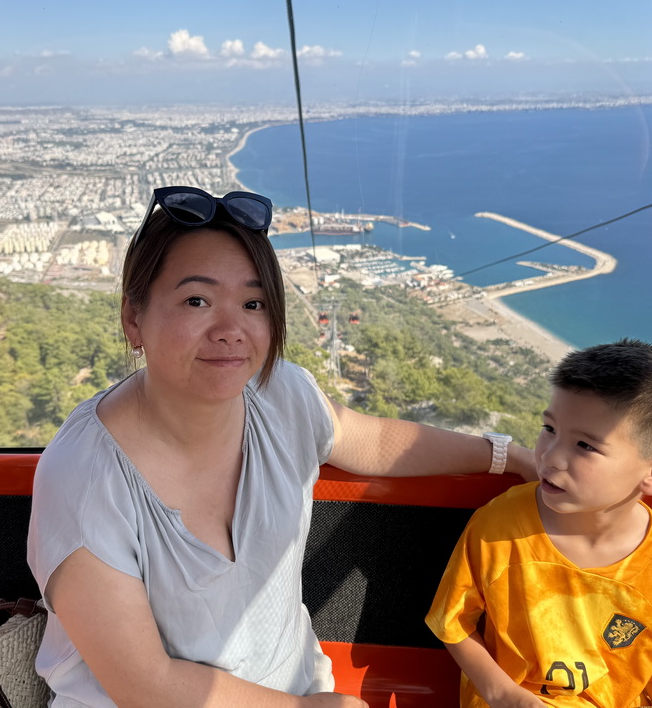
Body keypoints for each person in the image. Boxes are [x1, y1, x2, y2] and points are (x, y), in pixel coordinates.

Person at [26, 185, 535, 708]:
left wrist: (509, 456)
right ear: (134, 318)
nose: (231, 330)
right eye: (196, 300)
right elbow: (144, 686)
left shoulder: (281, 395)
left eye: (254, 303)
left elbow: (374, 440)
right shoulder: (85, 478)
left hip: (294, 688)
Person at [426, 339, 652, 708]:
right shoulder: (500, 526)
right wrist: (502, 693)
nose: (550, 456)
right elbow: (453, 621)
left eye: (585, 446)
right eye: (549, 428)